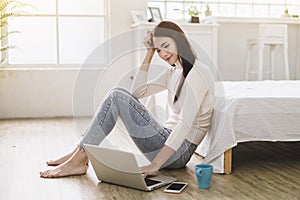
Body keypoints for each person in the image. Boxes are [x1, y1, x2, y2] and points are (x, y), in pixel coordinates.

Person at [40, 21, 215, 178]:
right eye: (158, 50)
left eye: (165, 45)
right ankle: (77, 154)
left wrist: (155, 165)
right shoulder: (174, 71)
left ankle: (78, 157)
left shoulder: (198, 72)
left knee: (117, 96)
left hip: (178, 153)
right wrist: (148, 54)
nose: (162, 54)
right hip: (167, 142)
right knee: (118, 93)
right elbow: (137, 92)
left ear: (179, 40)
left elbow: (184, 125)